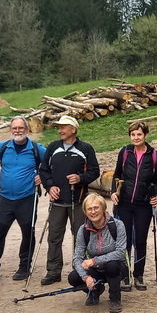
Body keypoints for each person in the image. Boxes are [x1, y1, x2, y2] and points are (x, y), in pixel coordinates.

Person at [39, 115, 100, 286]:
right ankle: (53, 272)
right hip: (57, 201)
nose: (60, 130)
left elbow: (94, 171)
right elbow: (44, 170)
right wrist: (50, 186)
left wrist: (80, 178)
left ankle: (80, 271)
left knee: (80, 237)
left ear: (73, 129)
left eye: (63, 127)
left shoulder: (85, 148)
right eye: (59, 127)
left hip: (78, 200)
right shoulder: (53, 147)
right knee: (54, 237)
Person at [0, 116, 46, 284]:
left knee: (28, 233)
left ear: (27, 129)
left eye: (21, 128)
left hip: (27, 198)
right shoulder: (3, 147)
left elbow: (52, 162)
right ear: (10, 130)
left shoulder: (36, 148)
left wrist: (42, 175)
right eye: (15, 128)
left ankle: (24, 267)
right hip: (5, 199)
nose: (18, 131)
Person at [110, 121, 157, 291]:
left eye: (139, 134)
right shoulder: (125, 152)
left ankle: (138, 276)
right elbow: (117, 175)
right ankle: (125, 276)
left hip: (143, 205)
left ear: (145, 135)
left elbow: (156, 181)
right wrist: (113, 192)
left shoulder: (154, 155)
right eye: (133, 134)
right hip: (124, 203)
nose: (136, 137)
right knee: (124, 240)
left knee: (140, 240)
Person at [68, 193, 128, 313]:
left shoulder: (117, 225)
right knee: (73, 277)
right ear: (85, 212)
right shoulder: (83, 230)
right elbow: (77, 258)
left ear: (103, 208)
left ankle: (115, 299)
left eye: (96, 208)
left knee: (112, 265)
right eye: (89, 209)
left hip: (117, 268)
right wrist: (86, 277)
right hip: (96, 270)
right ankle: (95, 291)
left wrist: (95, 260)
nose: (93, 212)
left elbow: (120, 252)